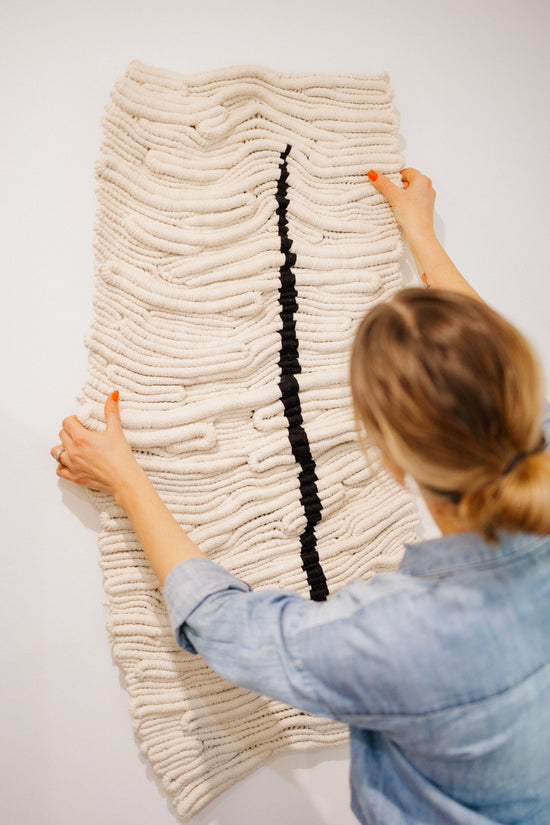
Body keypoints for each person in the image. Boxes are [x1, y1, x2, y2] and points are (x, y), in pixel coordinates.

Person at [51, 169, 550, 824]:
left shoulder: (399, 636)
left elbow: (223, 625)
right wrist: (421, 234)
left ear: (389, 458)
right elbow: (488, 372)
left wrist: (125, 477)